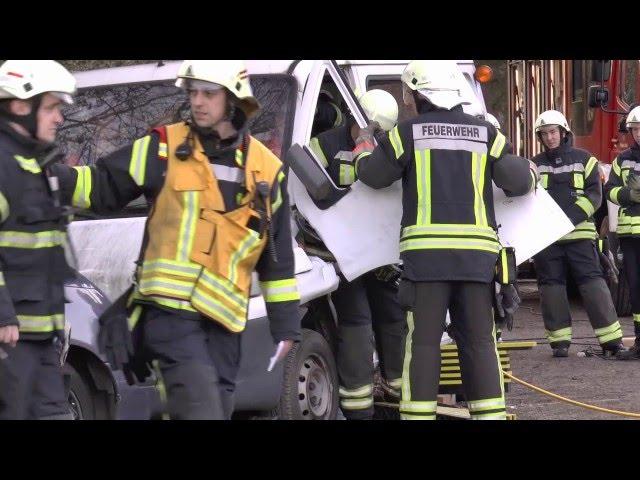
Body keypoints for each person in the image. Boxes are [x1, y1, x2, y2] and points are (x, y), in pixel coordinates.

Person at [54, 60, 301, 419]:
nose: (197, 101)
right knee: (201, 411)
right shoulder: (163, 147)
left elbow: (276, 261)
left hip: (225, 326)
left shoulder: (267, 172)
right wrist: (42, 174)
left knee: (214, 409)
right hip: (168, 316)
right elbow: (100, 185)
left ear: (234, 100)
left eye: (208, 93)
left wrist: (286, 325)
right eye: (193, 92)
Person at [353, 60, 536, 420]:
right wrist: (529, 170)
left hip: (427, 261)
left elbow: (374, 176)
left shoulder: (406, 133)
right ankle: (490, 416)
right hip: (477, 262)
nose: (407, 102)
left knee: (422, 345)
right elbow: (518, 181)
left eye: (409, 94)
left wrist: (361, 152)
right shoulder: (485, 133)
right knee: (480, 343)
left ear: (419, 94)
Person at [308, 89, 405, 419]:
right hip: (344, 253)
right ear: (358, 118)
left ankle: (397, 395)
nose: (375, 137)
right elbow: (304, 193)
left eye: (382, 133)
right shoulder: (325, 144)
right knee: (356, 323)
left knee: (393, 318)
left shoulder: (389, 149)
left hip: (380, 253)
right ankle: (358, 408)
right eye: (373, 130)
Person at [0, 60, 77, 419]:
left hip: (42, 336)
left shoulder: (37, 163)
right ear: (20, 105)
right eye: (51, 107)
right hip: (8, 339)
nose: (59, 118)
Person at [531, 110, 627, 358]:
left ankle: (611, 341)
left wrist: (568, 220)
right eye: (544, 134)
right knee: (551, 287)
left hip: (580, 236)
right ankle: (559, 342)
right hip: (547, 239)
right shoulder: (534, 164)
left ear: (563, 133)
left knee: (593, 285)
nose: (550, 137)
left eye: (553, 132)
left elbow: (595, 197)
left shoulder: (586, 160)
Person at [604, 105, 640, 359]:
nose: (639, 134)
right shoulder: (622, 159)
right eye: (635, 129)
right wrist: (628, 194)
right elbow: (611, 191)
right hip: (630, 235)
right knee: (636, 288)